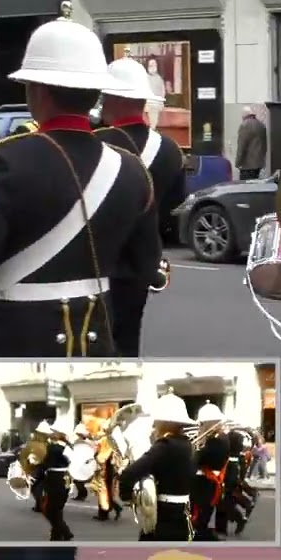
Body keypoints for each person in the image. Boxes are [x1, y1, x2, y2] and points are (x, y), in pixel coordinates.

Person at [0, 5, 161, 360]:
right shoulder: (133, 170)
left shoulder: (3, 163)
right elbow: (141, 271)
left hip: (15, 349)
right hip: (98, 347)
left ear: (38, 91)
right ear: (96, 92)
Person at [95, 55, 185, 355]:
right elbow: (174, 209)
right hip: (142, 262)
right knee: (129, 337)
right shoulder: (171, 150)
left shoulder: (93, 144)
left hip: (96, 262)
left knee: (95, 344)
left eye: (105, 96)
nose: (101, 103)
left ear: (116, 99)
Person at [118, 392, 197, 541]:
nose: (154, 424)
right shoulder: (188, 445)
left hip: (163, 515)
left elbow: (129, 474)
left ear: (165, 422)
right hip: (183, 513)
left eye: (157, 421)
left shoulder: (164, 445)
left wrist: (127, 496)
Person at [191, 402, 231, 540]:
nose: (201, 426)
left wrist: (197, 448)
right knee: (202, 517)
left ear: (210, 422)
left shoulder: (217, 440)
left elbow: (198, 459)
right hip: (206, 482)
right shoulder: (217, 437)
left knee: (200, 518)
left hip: (206, 483)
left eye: (203, 423)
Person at [36, 420, 75, 541]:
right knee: (57, 509)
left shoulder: (53, 448)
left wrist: (36, 470)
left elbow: (45, 463)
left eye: (54, 431)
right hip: (65, 478)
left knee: (49, 509)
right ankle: (56, 534)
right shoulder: (69, 446)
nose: (51, 433)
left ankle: (65, 532)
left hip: (55, 479)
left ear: (59, 434)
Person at [235, 106, 267, 180]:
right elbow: (264, 145)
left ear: (244, 115)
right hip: (258, 164)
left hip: (247, 165)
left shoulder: (244, 125)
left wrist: (238, 163)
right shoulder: (261, 125)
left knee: (245, 187)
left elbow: (242, 146)